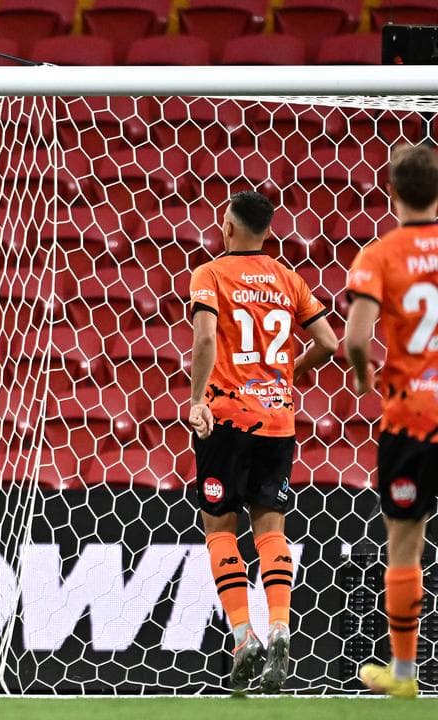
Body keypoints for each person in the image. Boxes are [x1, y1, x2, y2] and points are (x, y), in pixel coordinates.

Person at [185, 190, 338, 694]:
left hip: (226, 420)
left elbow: (205, 339)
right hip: (277, 420)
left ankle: (242, 636)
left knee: (219, 527)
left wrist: (197, 401)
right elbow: (330, 343)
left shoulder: (209, 274)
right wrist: (283, 376)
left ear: (227, 227)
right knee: (270, 527)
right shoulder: (288, 278)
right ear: (268, 231)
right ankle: (280, 627)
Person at [345, 143, 438, 699]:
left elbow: (356, 336)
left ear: (392, 191)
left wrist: (362, 375)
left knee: (405, 544)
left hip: (410, 419)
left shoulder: (379, 255)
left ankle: (403, 677)